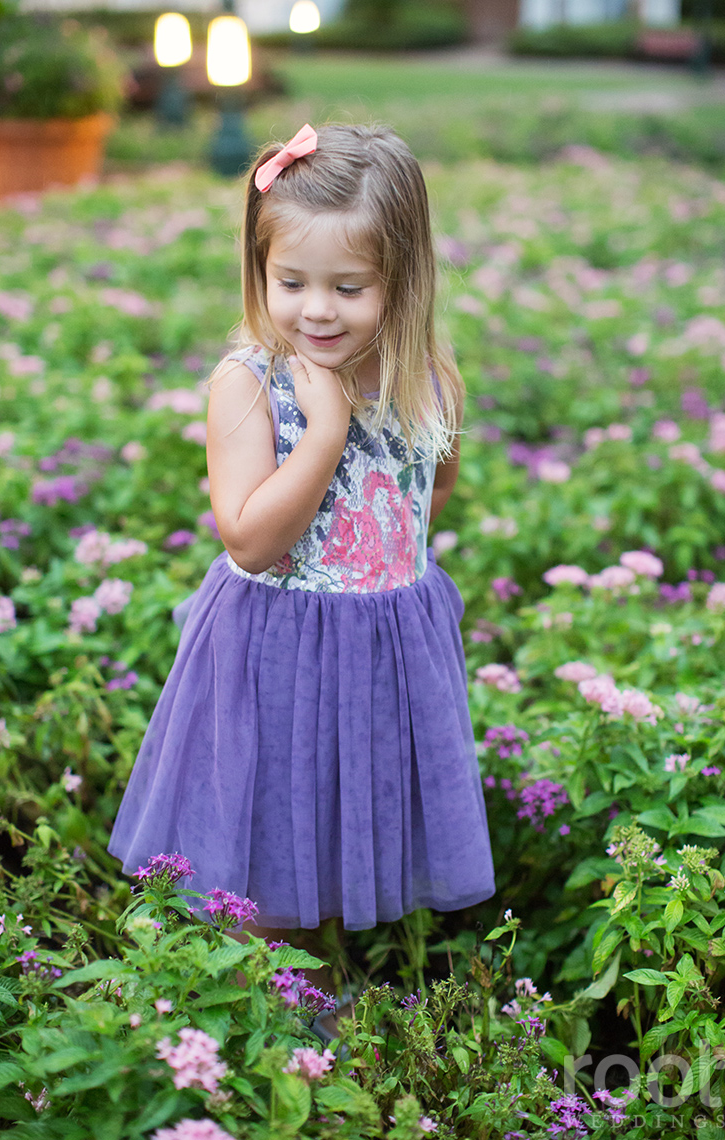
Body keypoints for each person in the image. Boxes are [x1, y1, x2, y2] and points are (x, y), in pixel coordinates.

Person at [108, 123, 495, 938]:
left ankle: (330, 967)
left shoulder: (426, 379)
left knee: (349, 812)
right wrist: (324, 433)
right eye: (292, 281)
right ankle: (269, 987)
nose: (316, 309)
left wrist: (387, 577)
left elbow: (433, 485)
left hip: (382, 642)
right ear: (261, 271)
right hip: (276, 647)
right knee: (273, 818)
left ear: (404, 280)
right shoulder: (249, 384)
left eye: (349, 289)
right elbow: (249, 539)